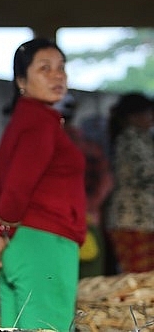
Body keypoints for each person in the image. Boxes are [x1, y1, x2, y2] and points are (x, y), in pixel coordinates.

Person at [0, 39, 86, 331]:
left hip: (20, 249)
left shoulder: (22, 121)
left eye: (61, 68)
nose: (58, 75)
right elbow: (14, 190)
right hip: (44, 244)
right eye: (45, 69)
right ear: (21, 80)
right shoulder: (40, 122)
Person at [55, 94, 114, 278]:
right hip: (83, 221)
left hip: (69, 225)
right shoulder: (87, 146)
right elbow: (106, 181)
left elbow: (105, 180)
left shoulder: (63, 145)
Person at [104, 92, 154, 273]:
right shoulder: (129, 139)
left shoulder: (143, 138)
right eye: (148, 113)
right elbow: (145, 173)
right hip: (132, 220)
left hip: (142, 220)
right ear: (134, 116)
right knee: (139, 279)